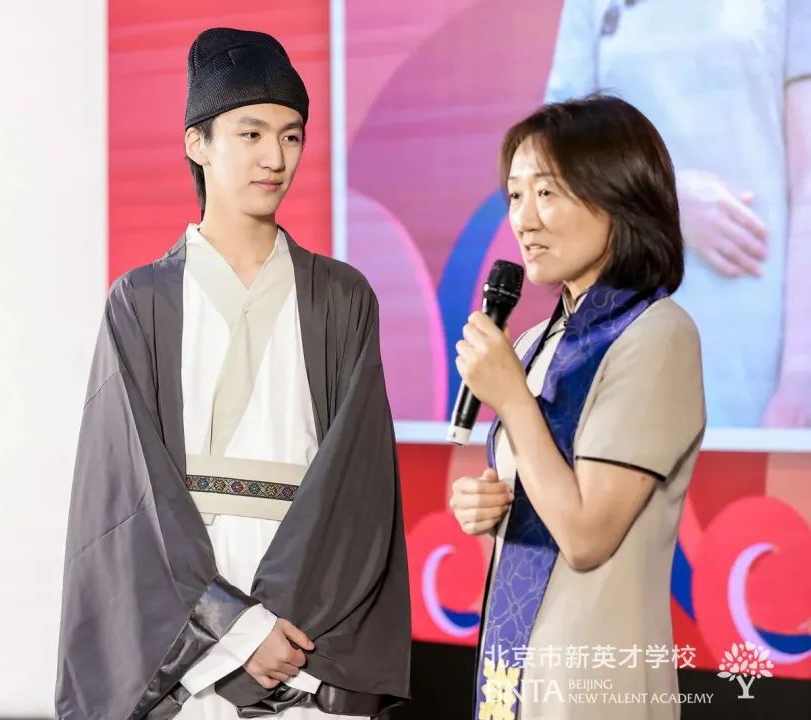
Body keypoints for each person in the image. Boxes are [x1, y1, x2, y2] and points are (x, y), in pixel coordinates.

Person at [55, 28, 411, 720]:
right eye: (251, 134)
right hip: (185, 631)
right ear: (198, 143)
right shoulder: (141, 301)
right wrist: (235, 630)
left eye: (291, 136)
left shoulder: (342, 298)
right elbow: (130, 492)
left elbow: (358, 483)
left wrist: (275, 632)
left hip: (306, 634)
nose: (275, 157)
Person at [450, 95, 706, 719]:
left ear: (619, 195)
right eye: (515, 195)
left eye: (547, 192)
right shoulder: (534, 343)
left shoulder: (658, 335)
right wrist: (489, 509)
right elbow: (541, 507)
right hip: (516, 672)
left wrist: (512, 397)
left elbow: (587, 535)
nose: (523, 220)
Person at [544, 0, 811, 428]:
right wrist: (665, 195)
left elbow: (808, 179)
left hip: (756, 356)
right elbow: (552, 165)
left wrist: (801, 370)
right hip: (623, 336)